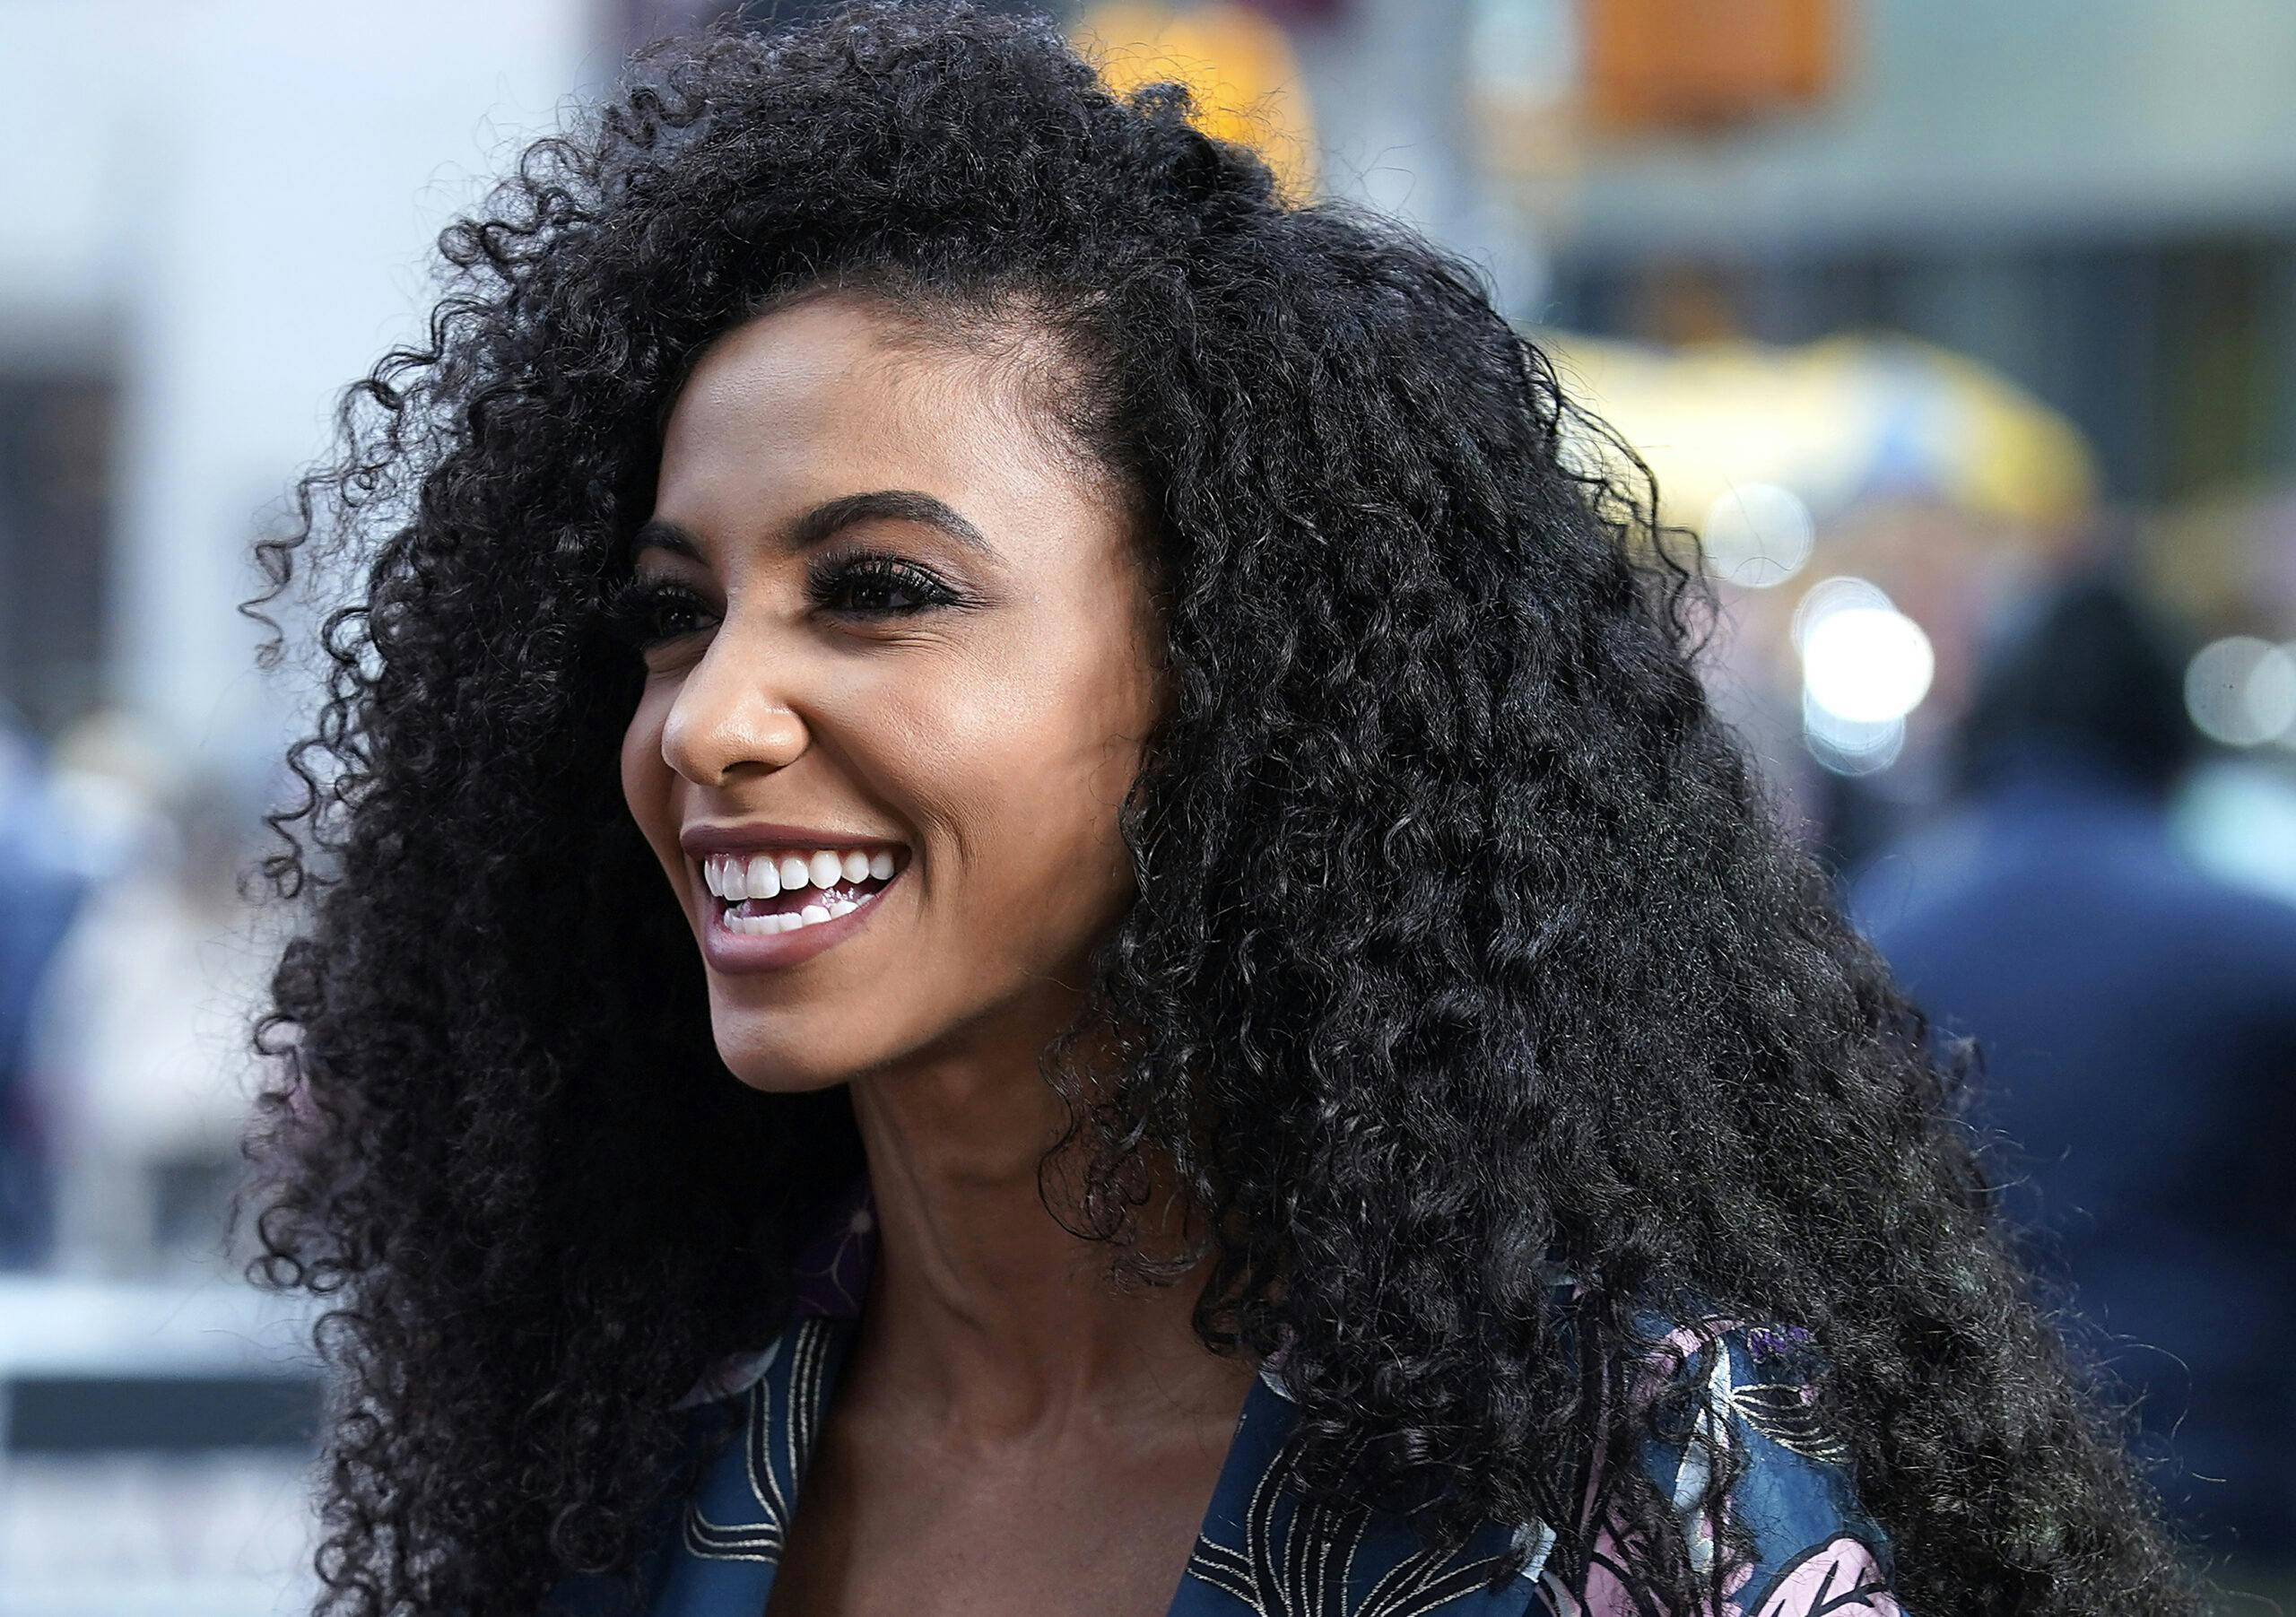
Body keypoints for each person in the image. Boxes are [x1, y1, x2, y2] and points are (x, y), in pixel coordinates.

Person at [236, 7, 2197, 1614]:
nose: (712, 719)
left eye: (879, 590)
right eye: (673, 615)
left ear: (1237, 676)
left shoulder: (1617, 1485)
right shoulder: (628, 1449)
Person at [1851, 573, 2296, 1580]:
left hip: (1952, 1526)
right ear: (2171, 739)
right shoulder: (2260, 952)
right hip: (2218, 1515)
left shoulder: (1870, 940)